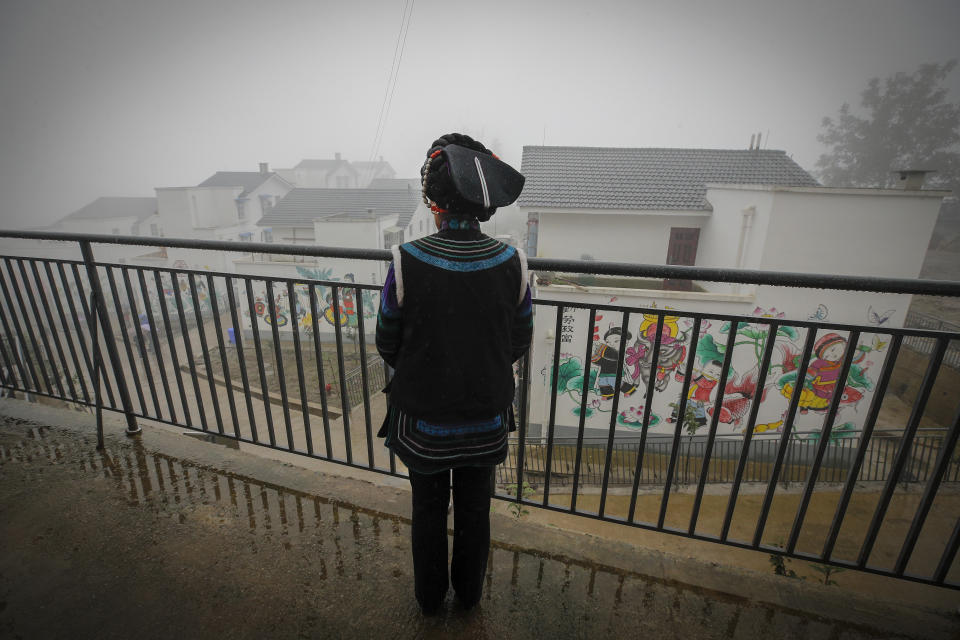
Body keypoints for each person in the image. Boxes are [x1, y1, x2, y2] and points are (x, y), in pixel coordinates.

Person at [375, 133, 531, 614]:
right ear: (484, 205)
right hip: (485, 419)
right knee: (475, 510)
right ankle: (469, 596)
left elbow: (386, 339)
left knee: (427, 509)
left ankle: (428, 601)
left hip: (424, 423)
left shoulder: (405, 261)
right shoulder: (513, 262)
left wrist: (428, 370)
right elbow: (518, 342)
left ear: (435, 204)